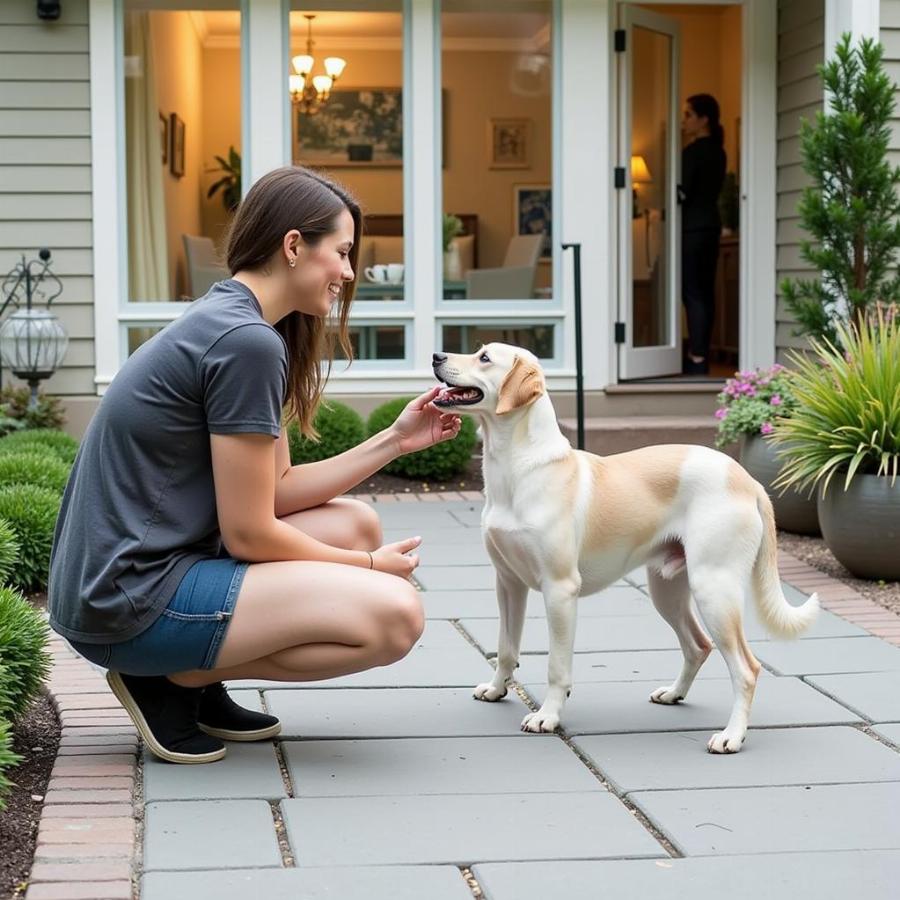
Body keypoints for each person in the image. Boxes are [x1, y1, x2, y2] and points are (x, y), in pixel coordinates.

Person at [47, 167, 462, 765]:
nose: (349, 273)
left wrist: (394, 442)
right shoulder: (244, 342)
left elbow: (279, 490)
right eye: (341, 253)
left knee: (354, 521)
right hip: (128, 599)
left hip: (133, 574)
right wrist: (368, 568)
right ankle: (172, 677)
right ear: (294, 247)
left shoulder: (238, 322)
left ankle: (187, 675)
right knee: (395, 615)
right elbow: (250, 532)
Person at [680, 93, 727, 375]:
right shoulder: (719, 152)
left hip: (692, 229)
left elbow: (682, 192)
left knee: (692, 292)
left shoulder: (693, 152)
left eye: (688, 115)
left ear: (703, 119)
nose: (684, 121)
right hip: (711, 226)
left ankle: (696, 358)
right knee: (705, 293)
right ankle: (701, 355)